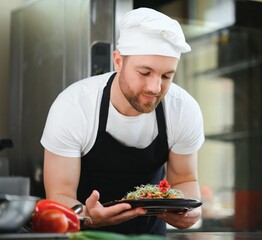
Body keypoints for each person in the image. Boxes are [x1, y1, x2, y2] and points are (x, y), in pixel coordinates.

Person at [40, 7, 204, 235]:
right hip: (85, 235)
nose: (155, 88)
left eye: (167, 76)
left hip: (150, 236)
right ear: (118, 61)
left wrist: (190, 210)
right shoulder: (74, 106)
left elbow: (185, 179)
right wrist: (87, 217)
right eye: (145, 73)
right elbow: (59, 195)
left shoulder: (183, 109)